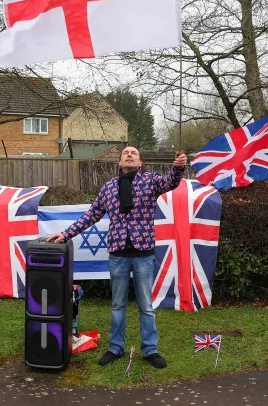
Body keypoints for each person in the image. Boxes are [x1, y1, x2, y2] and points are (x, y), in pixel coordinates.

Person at [47, 146, 186, 369]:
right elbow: (91, 215)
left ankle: (150, 349)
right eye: (125, 153)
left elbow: (171, 182)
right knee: (117, 305)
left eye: (133, 153)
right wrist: (66, 233)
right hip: (118, 255)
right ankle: (115, 348)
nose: (129, 155)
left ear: (140, 163)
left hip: (143, 254)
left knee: (146, 306)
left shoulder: (151, 181)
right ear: (120, 162)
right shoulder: (109, 187)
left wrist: (178, 168)